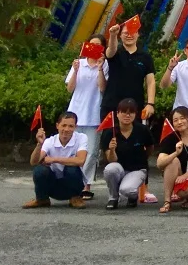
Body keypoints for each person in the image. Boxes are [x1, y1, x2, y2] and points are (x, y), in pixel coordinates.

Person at [65, 34, 107, 200]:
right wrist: (75, 70)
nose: (94, 47)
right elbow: (70, 88)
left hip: (93, 113)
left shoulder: (105, 65)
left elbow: (102, 88)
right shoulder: (79, 63)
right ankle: (71, 183)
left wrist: (100, 68)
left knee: (91, 152)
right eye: (91, 44)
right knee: (72, 149)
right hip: (75, 113)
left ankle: (86, 185)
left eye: (98, 45)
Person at [23, 111, 88, 209]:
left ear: (75, 127)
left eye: (71, 126)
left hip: (74, 184)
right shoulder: (49, 141)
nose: (66, 129)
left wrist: (54, 159)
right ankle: (42, 199)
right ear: (57, 126)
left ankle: (75, 197)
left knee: (72, 168)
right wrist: (39, 144)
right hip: (53, 185)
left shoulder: (82, 138)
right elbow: (33, 162)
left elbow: (80, 161)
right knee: (39, 170)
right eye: (64, 125)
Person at [99, 97, 153, 210]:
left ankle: (133, 197)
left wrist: (143, 159)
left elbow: (150, 148)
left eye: (131, 112)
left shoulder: (142, 130)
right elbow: (111, 160)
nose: (127, 115)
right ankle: (113, 197)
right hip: (118, 168)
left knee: (126, 190)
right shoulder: (110, 132)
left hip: (137, 169)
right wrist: (112, 149)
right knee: (110, 169)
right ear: (117, 114)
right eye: (123, 112)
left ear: (135, 114)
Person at [103, 18, 156, 122]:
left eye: (132, 32)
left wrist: (150, 104)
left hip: (135, 107)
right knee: (110, 133)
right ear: (120, 35)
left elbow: (150, 82)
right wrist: (113, 35)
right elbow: (111, 50)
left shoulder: (145, 57)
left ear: (138, 34)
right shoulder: (115, 52)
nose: (129, 35)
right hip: (111, 106)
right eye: (126, 33)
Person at [155, 106, 188, 214]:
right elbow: (159, 164)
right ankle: (167, 201)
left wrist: (186, 176)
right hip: (178, 175)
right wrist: (175, 153)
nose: (179, 122)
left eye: (182, 118)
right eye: (175, 120)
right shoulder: (170, 138)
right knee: (173, 161)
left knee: (185, 192)